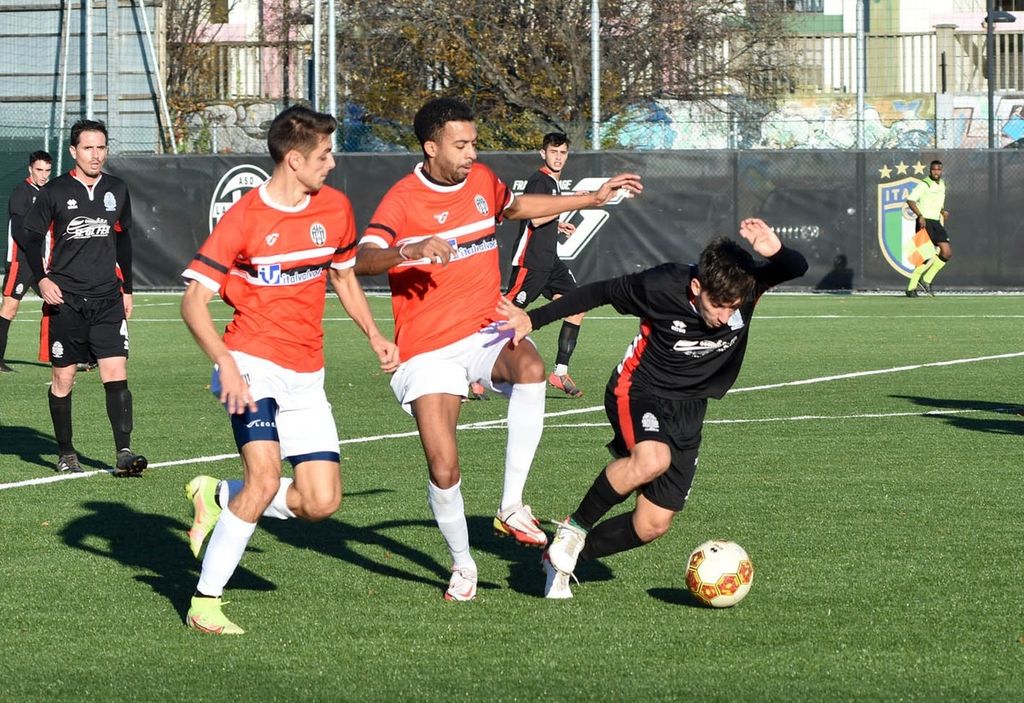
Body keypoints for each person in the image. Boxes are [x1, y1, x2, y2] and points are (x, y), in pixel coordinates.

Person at [355, 97, 642, 602]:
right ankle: (462, 564)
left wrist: (591, 198)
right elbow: (363, 259)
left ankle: (511, 506)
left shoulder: (482, 179)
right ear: (431, 147)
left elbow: (518, 208)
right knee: (444, 468)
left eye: (474, 143)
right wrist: (410, 250)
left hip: (482, 328)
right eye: (461, 145)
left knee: (530, 365)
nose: (471, 153)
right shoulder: (403, 199)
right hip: (427, 349)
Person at [496, 218, 808, 598]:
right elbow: (598, 292)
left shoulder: (747, 285)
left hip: (690, 409)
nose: (725, 317)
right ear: (697, 287)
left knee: (652, 524)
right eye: (717, 306)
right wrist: (533, 319)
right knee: (652, 459)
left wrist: (776, 251)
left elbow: (796, 267)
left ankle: (564, 558)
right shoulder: (661, 286)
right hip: (639, 389)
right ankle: (573, 529)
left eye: (733, 308)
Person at [180, 105, 398, 635]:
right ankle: (204, 602)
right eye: (324, 155)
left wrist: (374, 335)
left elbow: (343, 278)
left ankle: (218, 494)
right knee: (264, 478)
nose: (332, 163)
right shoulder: (244, 218)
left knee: (321, 502)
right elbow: (193, 302)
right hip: (251, 363)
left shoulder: (336, 208)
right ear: (294, 160)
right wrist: (226, 363)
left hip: (307, 371)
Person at [14, 120, 147, 476]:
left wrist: (128, 289)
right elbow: (29, 238)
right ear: (73, 151)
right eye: (88, 148)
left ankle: (124, 452)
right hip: (66, 301)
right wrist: (41, 280)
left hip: (107, 298)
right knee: (64, 379)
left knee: (116, 371)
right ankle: (66, 453)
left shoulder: (117, 188)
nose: (96, 155)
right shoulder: (54, 191)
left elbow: (124, 239)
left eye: (101, 147)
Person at [504, 132, 587, 397]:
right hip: (531, 261)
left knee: (577, 305)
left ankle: (559, 372)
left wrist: (558, 224)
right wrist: (571, 202)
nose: (558, 157)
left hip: (550, 260)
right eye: (553, 152)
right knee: (504, 316)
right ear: (543, 153)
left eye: (562, 153)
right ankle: (467, 371)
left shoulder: (552, 183)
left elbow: (545, 218)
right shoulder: (539, 180)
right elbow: (536, 218)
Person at [1, 150, 52, 373]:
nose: (43, 175)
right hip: (21, 261)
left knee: (59, 302)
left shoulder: (49, 193)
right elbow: (18, 230)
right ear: (30, 169)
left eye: (47, 170)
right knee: (10, 308)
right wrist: (33, 253)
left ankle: (66, 355)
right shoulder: (21, 192)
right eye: (39, 170)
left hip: (43, 263)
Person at [905, 160, 950, 297]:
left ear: (941, 171)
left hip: (936, 222)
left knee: (947, 252)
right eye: (934, 169)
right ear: (930, 170)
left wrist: (942, 211)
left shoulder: (942, 184)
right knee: (925, 255)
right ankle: (911, 288)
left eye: (938, 169)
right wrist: (920, 216)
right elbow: (910, 200)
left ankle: (927, 280)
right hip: (924, 222)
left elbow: (937, 202)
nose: (936, 172)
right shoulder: (924, 184)